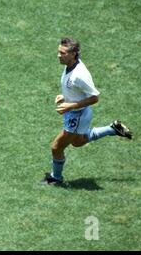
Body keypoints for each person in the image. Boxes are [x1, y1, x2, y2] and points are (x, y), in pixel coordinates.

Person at [41, 37, 133, 185]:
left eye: (62, 53)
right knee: (78, 142)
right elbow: (76, 90)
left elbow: (94, 98)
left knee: (56, 147)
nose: (59, 55)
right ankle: (113, 129)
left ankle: (55, 177)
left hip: (77, 115)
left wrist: (70, 106)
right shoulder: (69, 65)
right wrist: (65, 97)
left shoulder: (80, 75)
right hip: (75, 112)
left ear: (73, 54)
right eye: (58, 51)